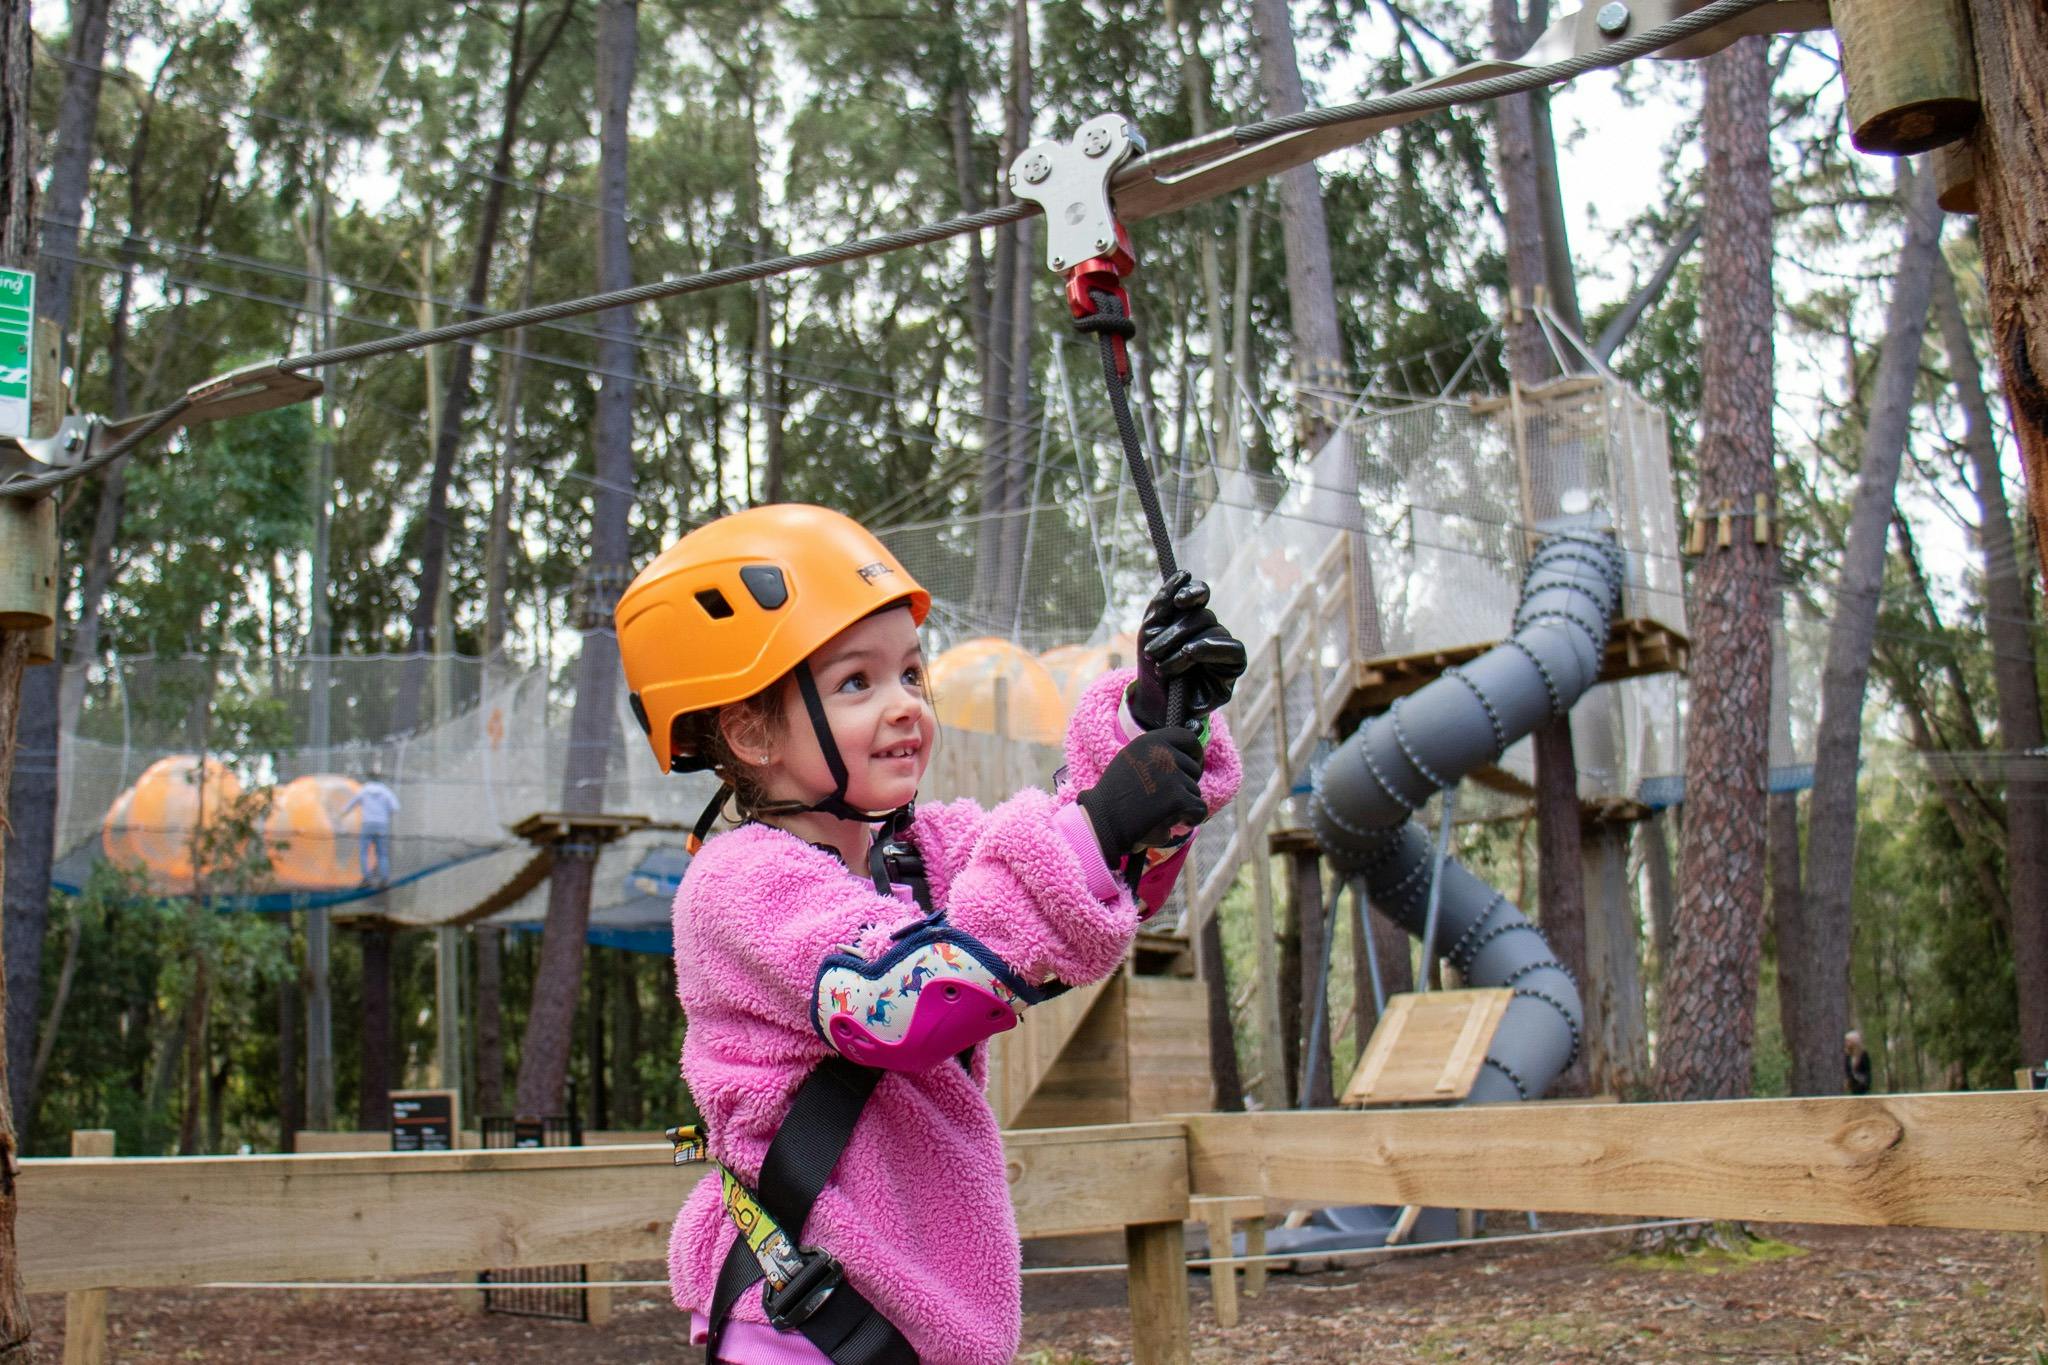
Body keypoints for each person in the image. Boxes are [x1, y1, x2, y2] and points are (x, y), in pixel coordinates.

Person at [614, 504, 1246, 1365]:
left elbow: (1078, 885)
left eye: (912, 674)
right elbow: (902, 1002)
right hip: (804, 1323)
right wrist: (1101, 825)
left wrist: (1153, 722)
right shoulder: (737, 887)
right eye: (856, 683)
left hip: (914, 1320)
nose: (905, 704)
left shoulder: (919, 856)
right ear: (752, 730)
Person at [340, 770, 400, 886]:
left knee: (364, 852)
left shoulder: (363, 790)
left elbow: (350, 805)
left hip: (367, 824)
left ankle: (366, 879)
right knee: (382, 853)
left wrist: (341, 814)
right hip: (382, 825)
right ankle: (384, 879)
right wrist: (384, 814)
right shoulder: (386, 792)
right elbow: (395, 807)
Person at [1844, 1029, 1873, 1095]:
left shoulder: (1863, 1054)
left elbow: (1867, 1072)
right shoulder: (1847, 1056)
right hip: (1852, 1089)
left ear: (1854, 1042)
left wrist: (1862, 1081)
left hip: (1863, 1088)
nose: (1846, 1043)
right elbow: (1848, 1072)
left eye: (1848, 1041)